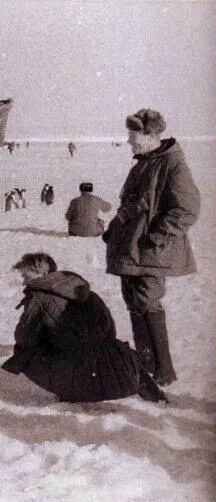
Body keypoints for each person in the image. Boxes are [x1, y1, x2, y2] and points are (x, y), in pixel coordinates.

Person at [103, 109, 200, 386]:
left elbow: (187, 209)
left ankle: (163, 371)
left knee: (147, 302)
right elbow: (132, 205)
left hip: (149, 252)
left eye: (133, 135)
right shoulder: (144, 164)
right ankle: (147, 365)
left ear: (151, 135)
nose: (129, 140)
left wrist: (154, 238)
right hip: (131, 250)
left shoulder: (172, 164)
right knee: (134, 303)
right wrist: (113, 229)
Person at [1, 252, 166, 403]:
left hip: (77, 369)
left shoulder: (38, 298)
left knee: (24, 352)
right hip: (115, 368)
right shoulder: (85, 291)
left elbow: (25, 338)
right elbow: (110, 330)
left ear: (39, 273)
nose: (24, 281)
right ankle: (153, 394)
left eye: (26, 276)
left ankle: (70, 389)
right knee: (114, 348)